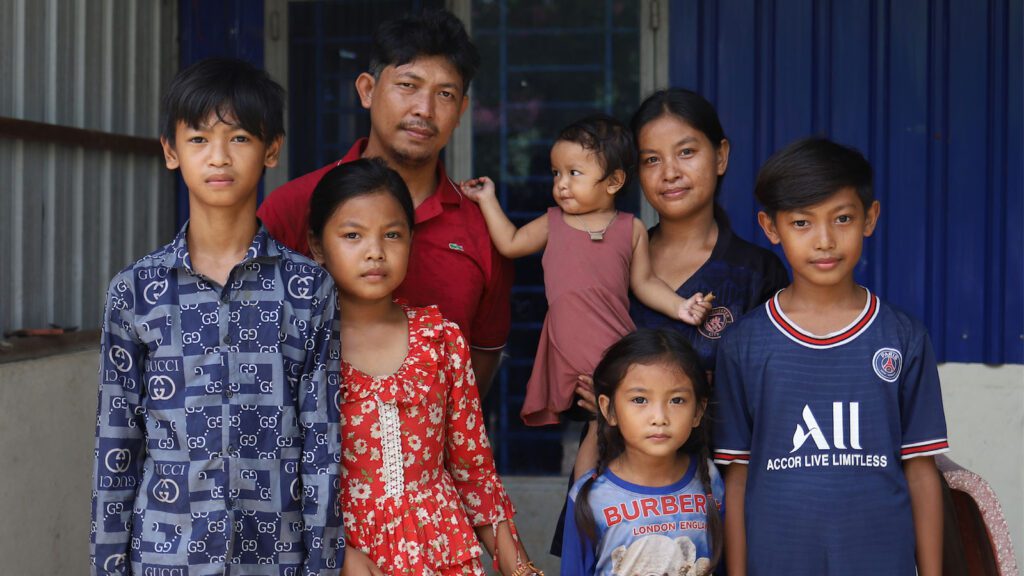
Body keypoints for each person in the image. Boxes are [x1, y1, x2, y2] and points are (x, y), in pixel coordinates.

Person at [90, 58, 343, 575]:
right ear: (170, 151)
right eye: (200, 139)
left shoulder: (307, 289)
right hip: (167, 556)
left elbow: (323, 442)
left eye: (241, 138)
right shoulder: (136, 292)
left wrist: (323, 563)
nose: (219, 157)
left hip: (275, 558)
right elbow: (116, 445)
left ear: (272, 149)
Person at [713, 137, 947, 575]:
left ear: (869, 218)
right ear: (770, 227)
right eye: (802, 223)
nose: (824, 240)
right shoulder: (744, 344)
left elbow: (919, 469)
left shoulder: (903, 336)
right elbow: (738, 479)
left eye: (842, 218)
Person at [307, 158, 542, 576]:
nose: (375, 251)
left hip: (442, 553)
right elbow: (280, 478)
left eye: (392, 235)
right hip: (342, 556)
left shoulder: (440, 339)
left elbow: (474, 472)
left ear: (411, 241)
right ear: (317, 246)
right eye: (352, 235)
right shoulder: (302, 349)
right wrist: (336, 553)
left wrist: (520, 568)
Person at [257, 9, 512, 395]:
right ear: (367, 90)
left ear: (461, 111)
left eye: (445, 94)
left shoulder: (484, 228)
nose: (424, 110)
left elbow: (482, 358)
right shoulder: (294, 206)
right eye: (408, 85)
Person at [460, 115, 711, 426]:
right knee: (594, 428)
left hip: (615, 349)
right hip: (566, 349)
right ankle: (586, 478)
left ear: (614, 182)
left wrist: (681, 306)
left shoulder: (629, 228)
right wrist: (486, 200)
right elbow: (511, 243)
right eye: (556, 173)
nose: (561, 184)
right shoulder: (553, 222)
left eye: (574, 173)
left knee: (613, 427)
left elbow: (644, 282)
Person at [627, 88, 789, 376]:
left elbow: (772, 389)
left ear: (721, 156)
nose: (670, 173)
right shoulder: (618, 264)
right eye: (652, 159)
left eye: (686, 152)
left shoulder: (756, 272)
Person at [560, 329, 724, 575]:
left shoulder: (710, 479)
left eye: (677, 400)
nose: (659, 418)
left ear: (698, 411)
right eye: (639, 400)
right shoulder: (591, 496)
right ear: (609, 409)